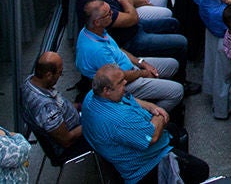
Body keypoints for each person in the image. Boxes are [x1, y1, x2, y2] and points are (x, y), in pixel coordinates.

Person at [82, 64, 211, 184]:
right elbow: (152, 136)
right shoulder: (119, 120)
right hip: (144, 167)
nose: (125, 82)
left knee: (174, 129)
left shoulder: (92, 96)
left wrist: (151, 106)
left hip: (135, 139)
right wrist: (159, 115)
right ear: (106, 90)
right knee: (201, 169)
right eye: (120, 82)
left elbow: (128, 97)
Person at [74, 0, 186, 111]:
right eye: (108, 14)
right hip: (123, 83)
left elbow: (118, 49)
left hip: (130, 69)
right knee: (177, 91)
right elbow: (118, 77)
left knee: (172, 65)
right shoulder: (97, 51)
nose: (113, 13)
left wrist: (142, 63)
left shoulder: (95, 30)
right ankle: (149, 116)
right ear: (97, 22)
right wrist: (143, 73)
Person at [21, 52, 87, 159]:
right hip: (72, 145)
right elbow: (67, 140)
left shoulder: (30, 82)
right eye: (60, 73)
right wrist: (90, 123)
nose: (60, 76)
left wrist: (79, 106)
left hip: (73, 120)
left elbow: (60, 104)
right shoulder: (46, 108)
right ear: (48, 75)